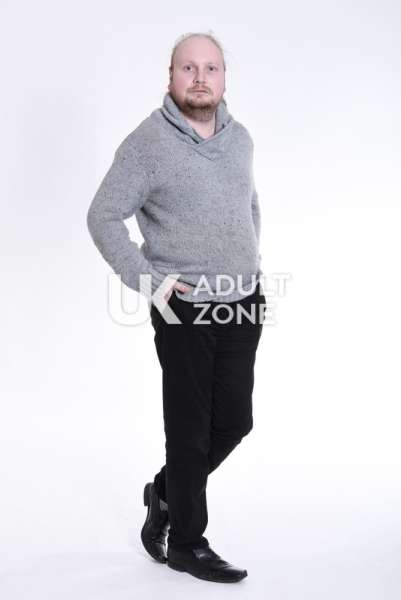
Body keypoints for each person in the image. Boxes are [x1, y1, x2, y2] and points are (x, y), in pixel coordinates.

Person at [86, 31, 266, 584]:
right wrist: (151, 283)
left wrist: (252, 268)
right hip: (183, 307)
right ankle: (187, 543)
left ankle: (164, 493)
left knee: (234, 422)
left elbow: (249, 206)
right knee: (189, 431)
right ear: (171, 77)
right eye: (189, 68)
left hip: (242, 302)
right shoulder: (147, 144)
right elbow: (102, 216)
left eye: (211, 68)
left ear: (224, 78)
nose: (200, 78)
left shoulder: (240, 139)